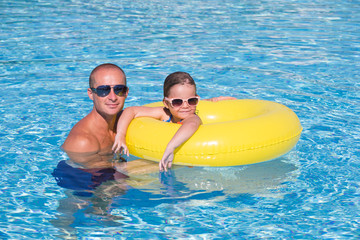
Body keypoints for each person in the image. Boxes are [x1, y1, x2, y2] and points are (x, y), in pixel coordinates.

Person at [112, 71, 236, 172]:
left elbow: (191, 125)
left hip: (188, 162)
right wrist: (121, 134)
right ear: (166, 103)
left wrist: (171, 147)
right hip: (162, 157)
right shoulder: (164, 113)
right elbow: (131, 111)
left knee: (124, 172)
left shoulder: (192, 118)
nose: (186, 106)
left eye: (192, 100)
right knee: (117, 169)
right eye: (177, 102)